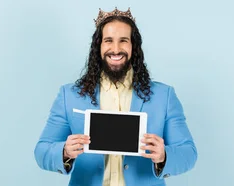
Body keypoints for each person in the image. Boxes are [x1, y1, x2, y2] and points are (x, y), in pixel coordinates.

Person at [33, 7, 197, 186]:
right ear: (99, 46)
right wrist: (64, 151)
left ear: (133, 47)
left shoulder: (163, 96)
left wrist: (164, 156)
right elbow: (41, 151)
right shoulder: (69, 95)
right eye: (108, 40)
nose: (116, 49)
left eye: (123, 41)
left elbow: (188, 153)